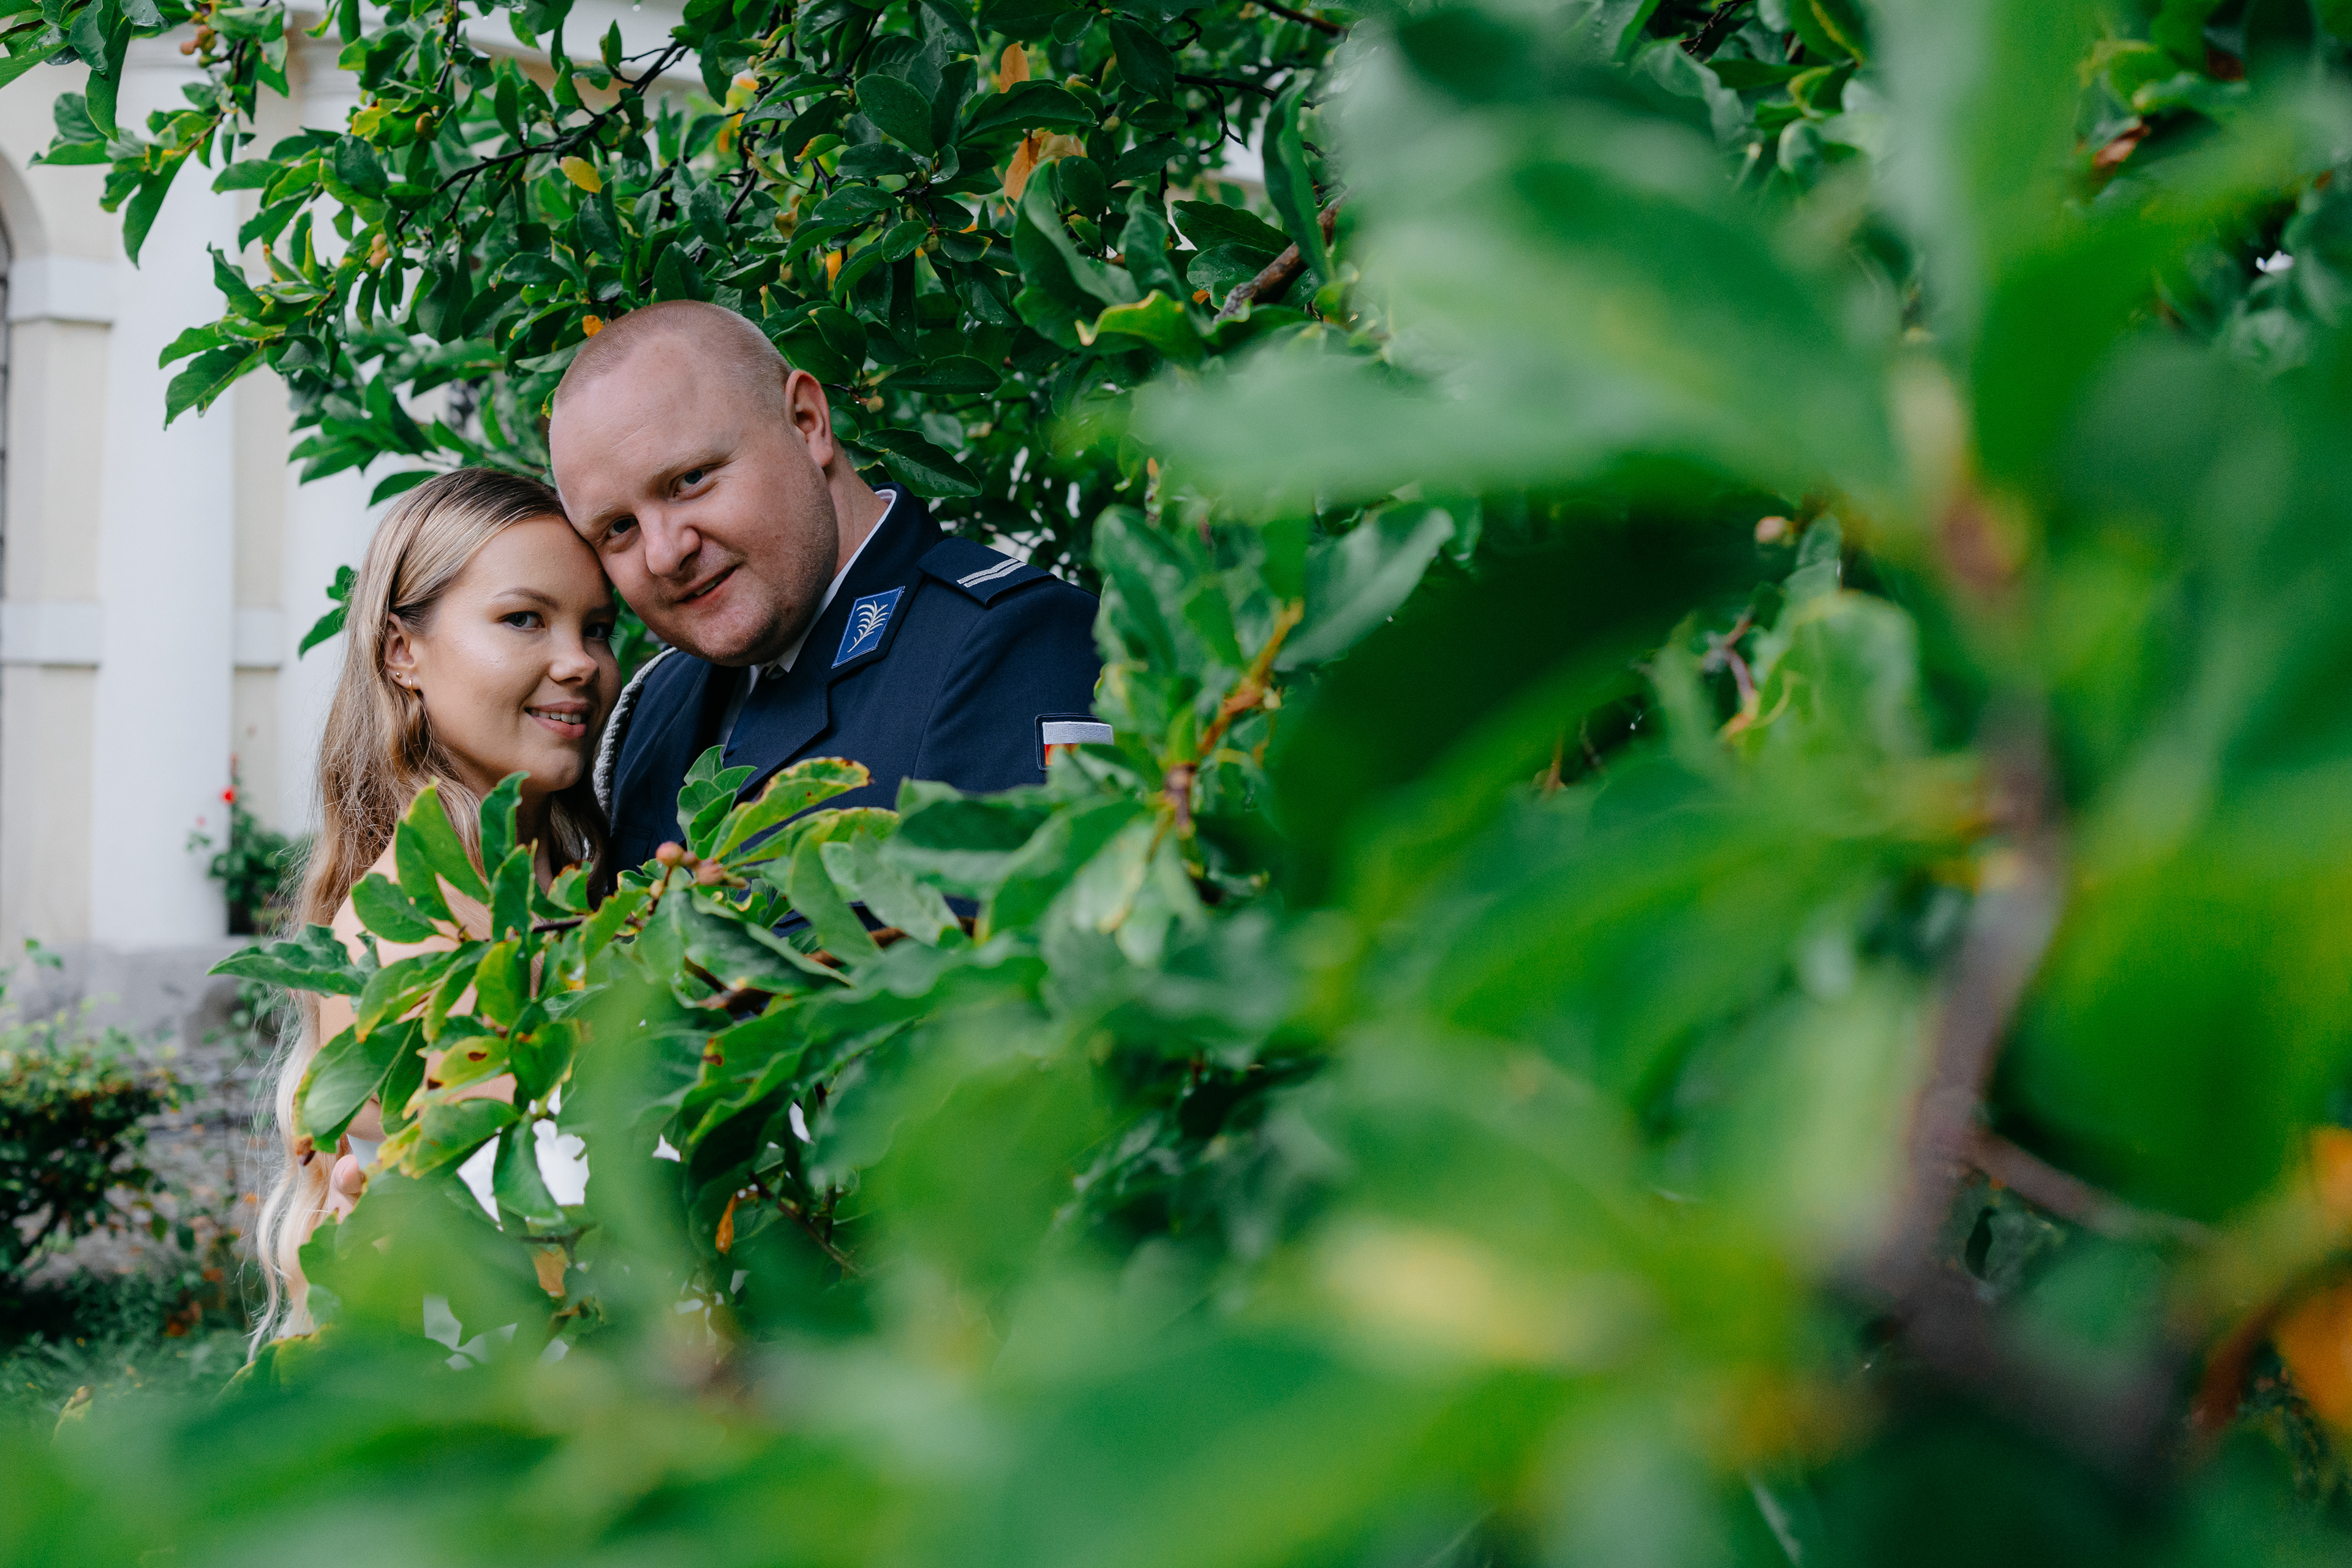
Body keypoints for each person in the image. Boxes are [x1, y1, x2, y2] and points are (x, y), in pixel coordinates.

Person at [546, 301, 1107, 875]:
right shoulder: (654, 704)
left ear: (807, 421)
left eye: (691, 480)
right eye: (619, 528)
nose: (665, 554)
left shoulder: (1012, 645)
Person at [252, 469, 620, 1344]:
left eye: (598, 629)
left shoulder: (579, 886)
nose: (579, 661)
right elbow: (565, 1215)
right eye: (524, 618)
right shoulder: (403, 931)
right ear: (402, 652)